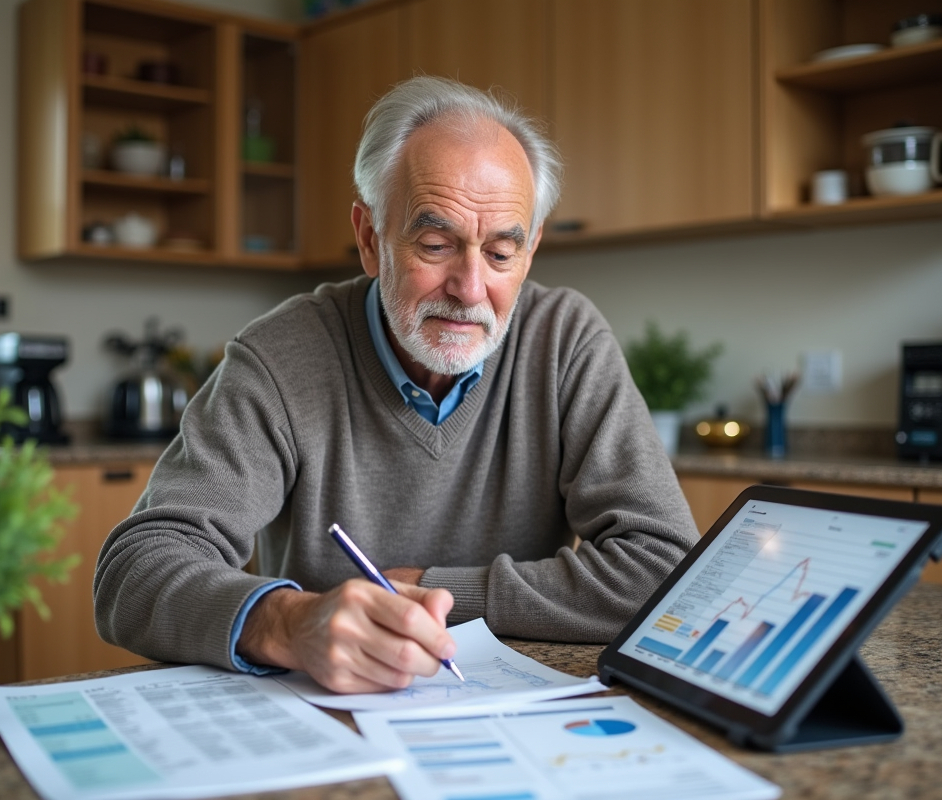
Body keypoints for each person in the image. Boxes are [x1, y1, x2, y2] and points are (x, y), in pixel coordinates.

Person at [94, 76, 698, 694]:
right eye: (436, 245)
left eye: (500, 254)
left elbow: (666, 570)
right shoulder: (280, 358)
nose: (469, 289)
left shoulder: (565, 342)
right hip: (324, 714)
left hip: (506, 714)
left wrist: (439, 588)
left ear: (532, 249)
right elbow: (135, 570)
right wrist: (288, 621)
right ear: (369, 238)